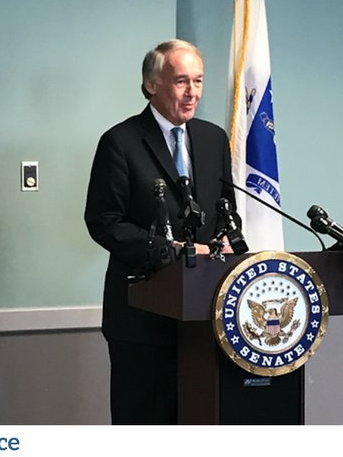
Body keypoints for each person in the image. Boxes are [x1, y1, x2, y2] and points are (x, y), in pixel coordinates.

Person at [84, 39, 234, 424]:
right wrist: (172, 250)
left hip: (205, 318)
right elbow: (104, 221)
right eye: (182, 81)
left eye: (198, 81)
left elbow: (225, 213)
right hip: (141, 319)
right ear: (151, 84)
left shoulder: (213, 138)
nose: (192, 92)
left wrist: (228, 245)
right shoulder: (120, 142)